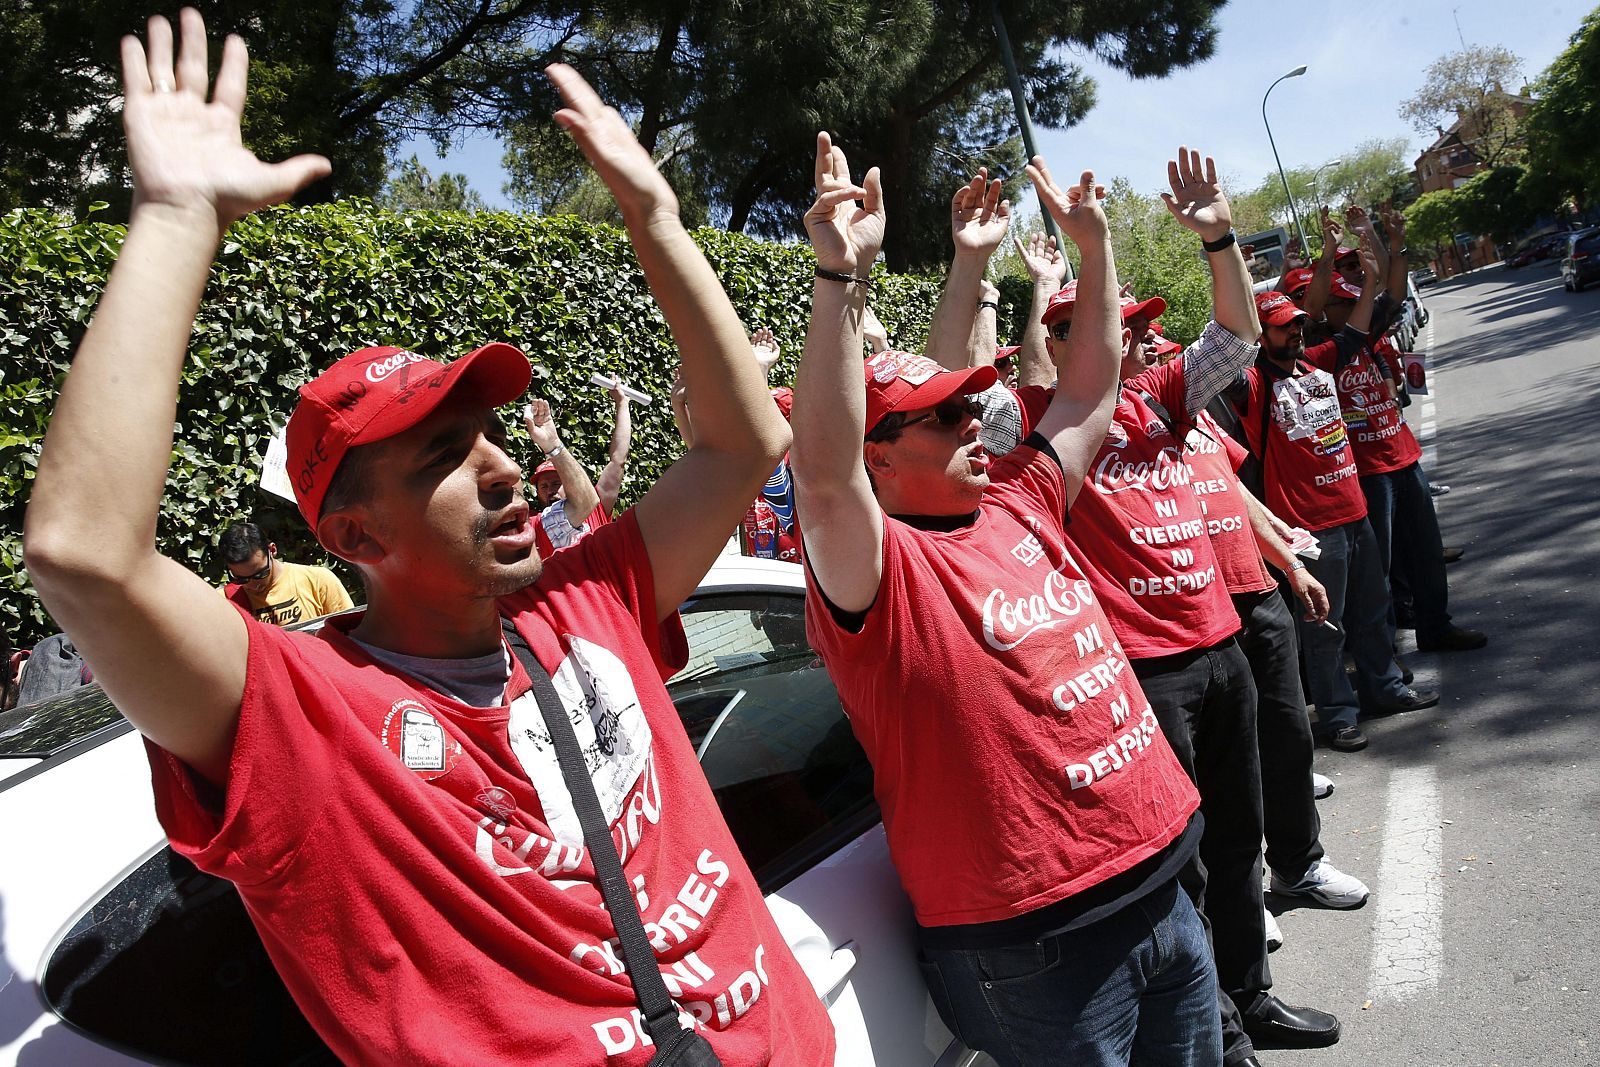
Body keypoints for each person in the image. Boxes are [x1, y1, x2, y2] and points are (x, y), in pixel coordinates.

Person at [22, 12, 833, 1065]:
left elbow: (744, 440)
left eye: (493, 432)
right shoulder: (306, 715)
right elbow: (85, 548)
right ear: (353, 529)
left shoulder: (581, 604)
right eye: (446, 454)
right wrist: (177, 218)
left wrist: (657, 218)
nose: (504, 466)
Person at [792, 130, 1218, 1066]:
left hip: (1165, 881)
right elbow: (821, 479)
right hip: (1043, 945)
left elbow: (1094, 386)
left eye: (972, 403)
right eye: (946, 415)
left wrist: (1098, 249)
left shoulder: (1021, 497)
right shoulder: (881, 570)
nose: (973, 423)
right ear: (879, 457)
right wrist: (836, 281)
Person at [1009, 150, 1341, 1065]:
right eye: (1108, 330)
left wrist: (1220, 236)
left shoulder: (1162, 397)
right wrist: (1045, 282)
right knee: (1185, 863)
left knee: (1239, 845)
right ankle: (1218, 1035)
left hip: (1222, 647)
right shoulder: (1041, 426)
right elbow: (975, 369)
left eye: (1130, 329)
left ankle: (1252, 998)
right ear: (1070, 339)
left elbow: (1234, 333)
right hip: (1144, 679)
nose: (1133, 342)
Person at [1221, 271, 1438, 755]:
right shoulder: (1252, 386)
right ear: (1262, 335)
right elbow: (1224, 355)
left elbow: (1355, 333)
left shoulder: (1318, 363)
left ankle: (1386, 688)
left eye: (1297, 324)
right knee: (1323, 628)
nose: (1295, 332)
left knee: (1374, 610)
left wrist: (1374, 272)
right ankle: (1339, 715)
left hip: (1355, 511)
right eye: (1282, 327)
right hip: (1308, 528)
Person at [219, 520, 353, 625]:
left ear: (272, 550)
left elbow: (348, 632)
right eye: (241, 579)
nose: (252, 585)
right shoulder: (224, 601)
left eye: (259, 574)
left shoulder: (318, 580)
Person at [525, 396, 612, 557]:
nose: (550, 490)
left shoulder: (595, 510)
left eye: (557, 483)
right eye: (543, 486)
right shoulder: (534, 524)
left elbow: (617, 462)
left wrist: (552, 444)